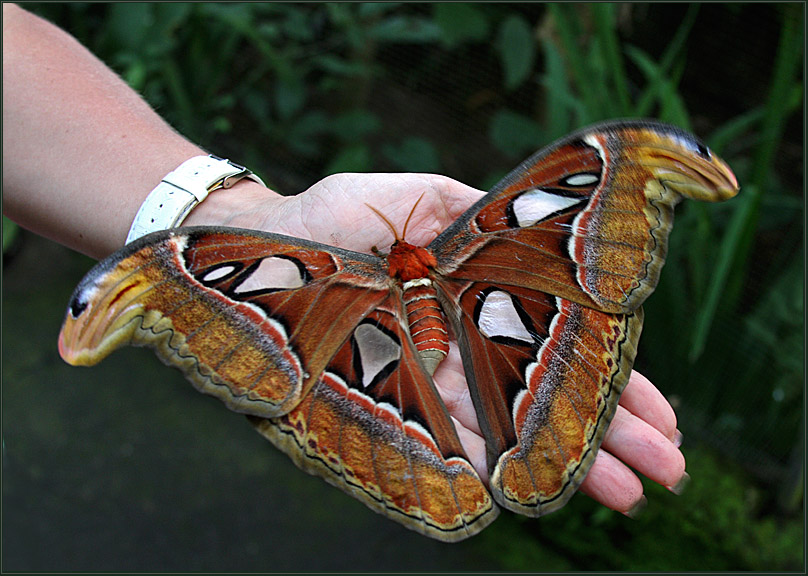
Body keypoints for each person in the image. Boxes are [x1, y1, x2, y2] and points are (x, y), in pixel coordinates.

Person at [3, 3, 686, 519]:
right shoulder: (444, 248)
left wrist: (248, 225)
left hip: (382, 325)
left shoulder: (341, 270)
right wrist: (220, 240)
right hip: (457, 318)